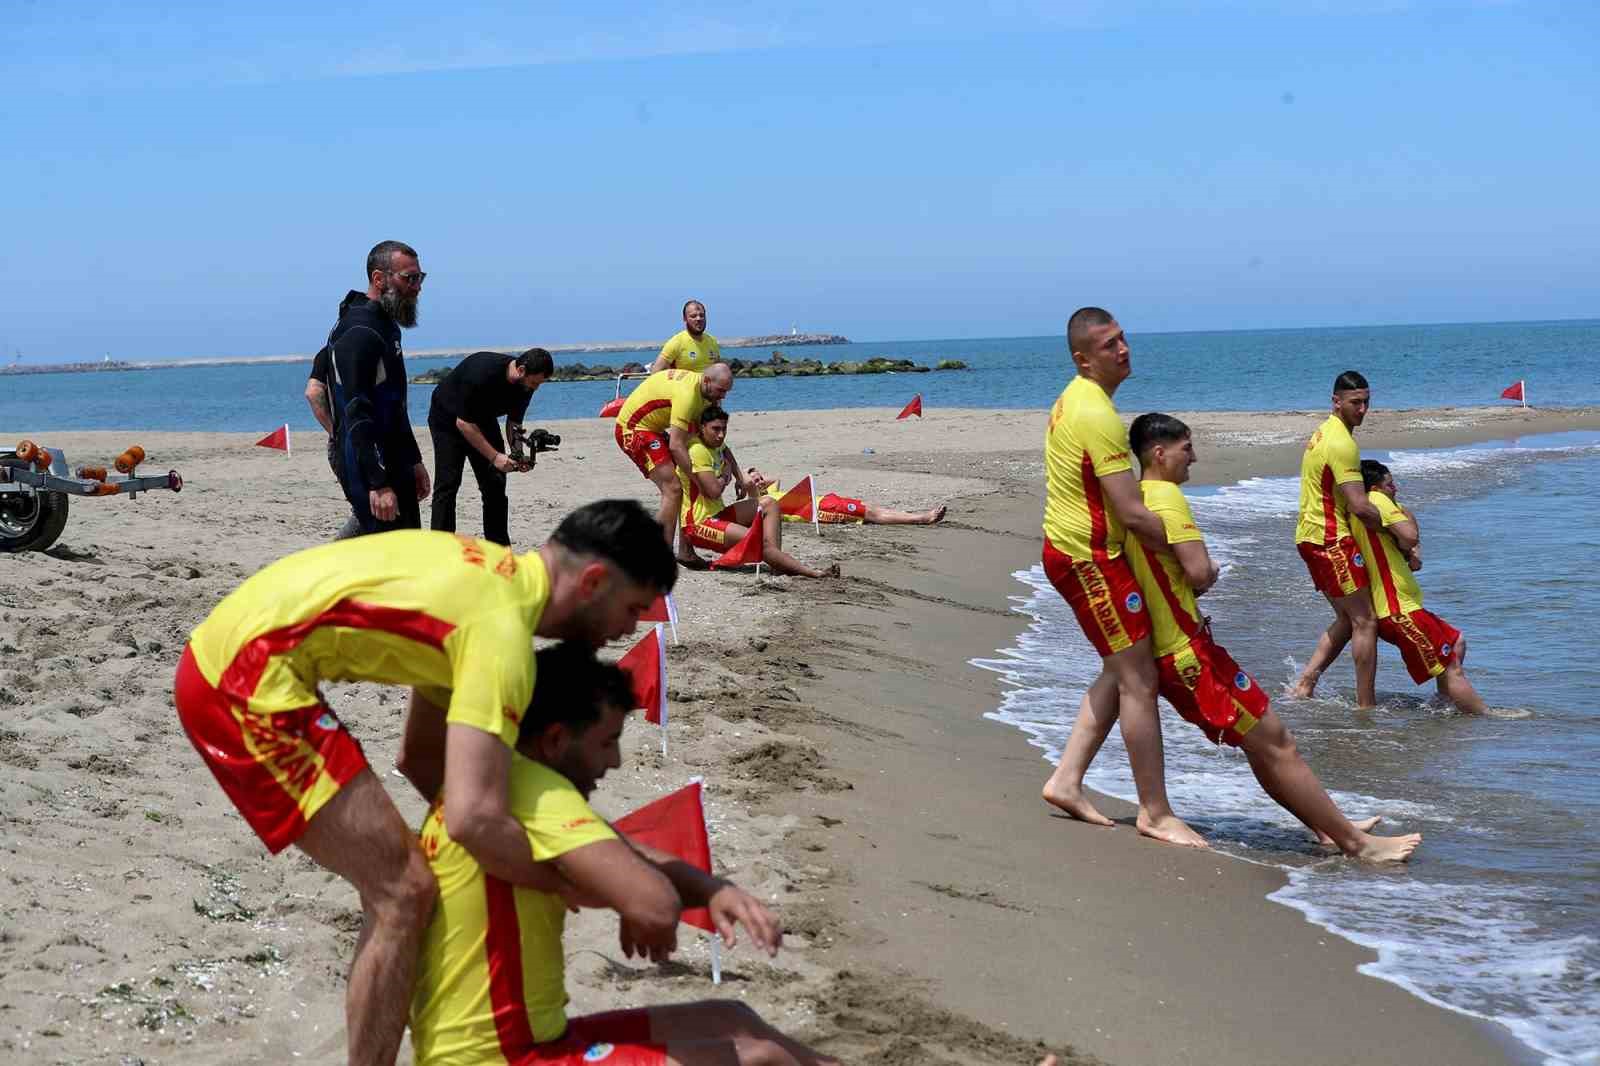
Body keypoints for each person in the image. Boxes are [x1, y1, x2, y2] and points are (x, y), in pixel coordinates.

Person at [173, 500, 677, 1066]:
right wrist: (569, 882)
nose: (630, 630)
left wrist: (556, 845)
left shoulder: (493, 580)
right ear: (593, 581)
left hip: (236, 651)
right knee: (401, 893)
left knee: (410, 883)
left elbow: (422, 760)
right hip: (243, 675)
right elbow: (470, 818)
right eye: (633, 610)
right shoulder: (502, 635)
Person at [410, 642, 840, 1066]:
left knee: (734, 1018)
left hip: (527, 1040)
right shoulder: (542, 795)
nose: (615, 760)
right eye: (607, 742)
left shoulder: (501, 780)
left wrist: (710, 889)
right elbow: (655, 906)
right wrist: (630, 900)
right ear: (556, 739)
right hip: (503, 1057)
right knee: (757, 1059)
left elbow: (622, 849)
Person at [1054, 414, 1422, 862]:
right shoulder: (1167, 499)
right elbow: (1197, 573)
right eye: (1187, 448)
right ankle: (1356, 844)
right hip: (1187, 655)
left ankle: (1329, 829)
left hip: (1182, 646)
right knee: (1273, 740)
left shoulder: (1138, 496)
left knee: (1268, 741)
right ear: (1159, 453)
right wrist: (1208, 573)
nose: (1195, 457)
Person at [1037, 308, 1206, 849]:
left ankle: (1066, 780)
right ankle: (1155, 812)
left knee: (1120, 668)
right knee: (1140, 681)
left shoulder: (1079, 398)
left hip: (1079, 552)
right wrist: (1184, 561)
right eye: (1110, 345)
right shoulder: (1096, 415)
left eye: (1124, 339)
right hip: (1088, 560)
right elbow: (1132, 513)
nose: (1124, 349)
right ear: (1084, 359)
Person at [1353, 460, 1488, 714]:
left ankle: (1443, 705)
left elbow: (1411, 548)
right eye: (1390, 484)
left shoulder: (1375, 505)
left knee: (1456, 641)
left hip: (1404, 604)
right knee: (1449, 666)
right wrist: (1409, 537)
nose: (1396, 489)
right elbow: (1410, 536)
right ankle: (1487, 717)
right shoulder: (1377, 499)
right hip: (1397, 609)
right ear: (1375, 487)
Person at [326, 239, 432, 535]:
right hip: (371, 465)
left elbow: (395, 405)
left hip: (395, 457)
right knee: (385, 552)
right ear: (378, 278)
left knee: (405, 544)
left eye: (420, 277)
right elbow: (355, 410)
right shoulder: (360, 331)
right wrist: (377, 482)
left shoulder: (386, 325)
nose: (417, 286)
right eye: (409, 278)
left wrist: (414, 460)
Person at [1290, 371, 1383, 707]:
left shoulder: (1324, 432)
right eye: (1355, 402)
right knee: (1365, 620)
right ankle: (1366, 706)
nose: (1362, 409)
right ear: (1336, 401)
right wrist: (1397, 534)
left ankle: (1305, 683)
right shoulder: (1342, 442)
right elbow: (1359, 506)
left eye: (1366, 402)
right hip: (1329, 540)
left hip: (1310, 537)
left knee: (1348, 618)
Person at [676, 405, 840, 578]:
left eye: (724, 429)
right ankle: (814, 573)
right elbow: (714, 492)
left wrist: (740, 477)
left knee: (769, 503)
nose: (721, 435)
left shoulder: (716, 443)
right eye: (716, 429)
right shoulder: (697, 450)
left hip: (717, 514)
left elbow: (725, 450)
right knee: (759, 542)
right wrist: (726, 476)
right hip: (698, 525)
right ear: (702, 428)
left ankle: (776, 561)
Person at [427, 348, 554, 546]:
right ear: (521, 370)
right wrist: (495, 457)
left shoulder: (525, 387)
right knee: (448, 485)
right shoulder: (482, 373)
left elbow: (514, 423)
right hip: (448, 419)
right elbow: (463, 424)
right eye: (535, 382)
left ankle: (499, 548)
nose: (536, 388)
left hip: (483, 419)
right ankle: (441, 548)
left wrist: (518, 455)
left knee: (495, 485)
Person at [613, 365, 734, 560]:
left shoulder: (705, 394)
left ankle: (685, 552)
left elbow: (718, 444)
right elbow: (676, 446)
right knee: (673, 488)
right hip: (634, 429)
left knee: (684, 478)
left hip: (655, 428)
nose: (723, 397)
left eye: (727, 392)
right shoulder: (687, 396)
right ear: (706, 381)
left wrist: (738, 475)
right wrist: (699, 481)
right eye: (721, 391)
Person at [304, 331, 363, 540]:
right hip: (348, 441)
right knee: (365, 513)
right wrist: (335, 431)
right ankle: (333, 559)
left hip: (343, 440)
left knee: (370, 512)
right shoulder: (334, 353)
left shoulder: (328, 352)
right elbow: (312, 393)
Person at [650, 299, 723, 373]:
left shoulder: (712, 341)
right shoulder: (677, 342)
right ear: (685, 319)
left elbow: (718, 372)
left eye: (701, 315)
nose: (698, 319)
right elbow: (655, 372)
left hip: (707, 384)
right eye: (693, 316)